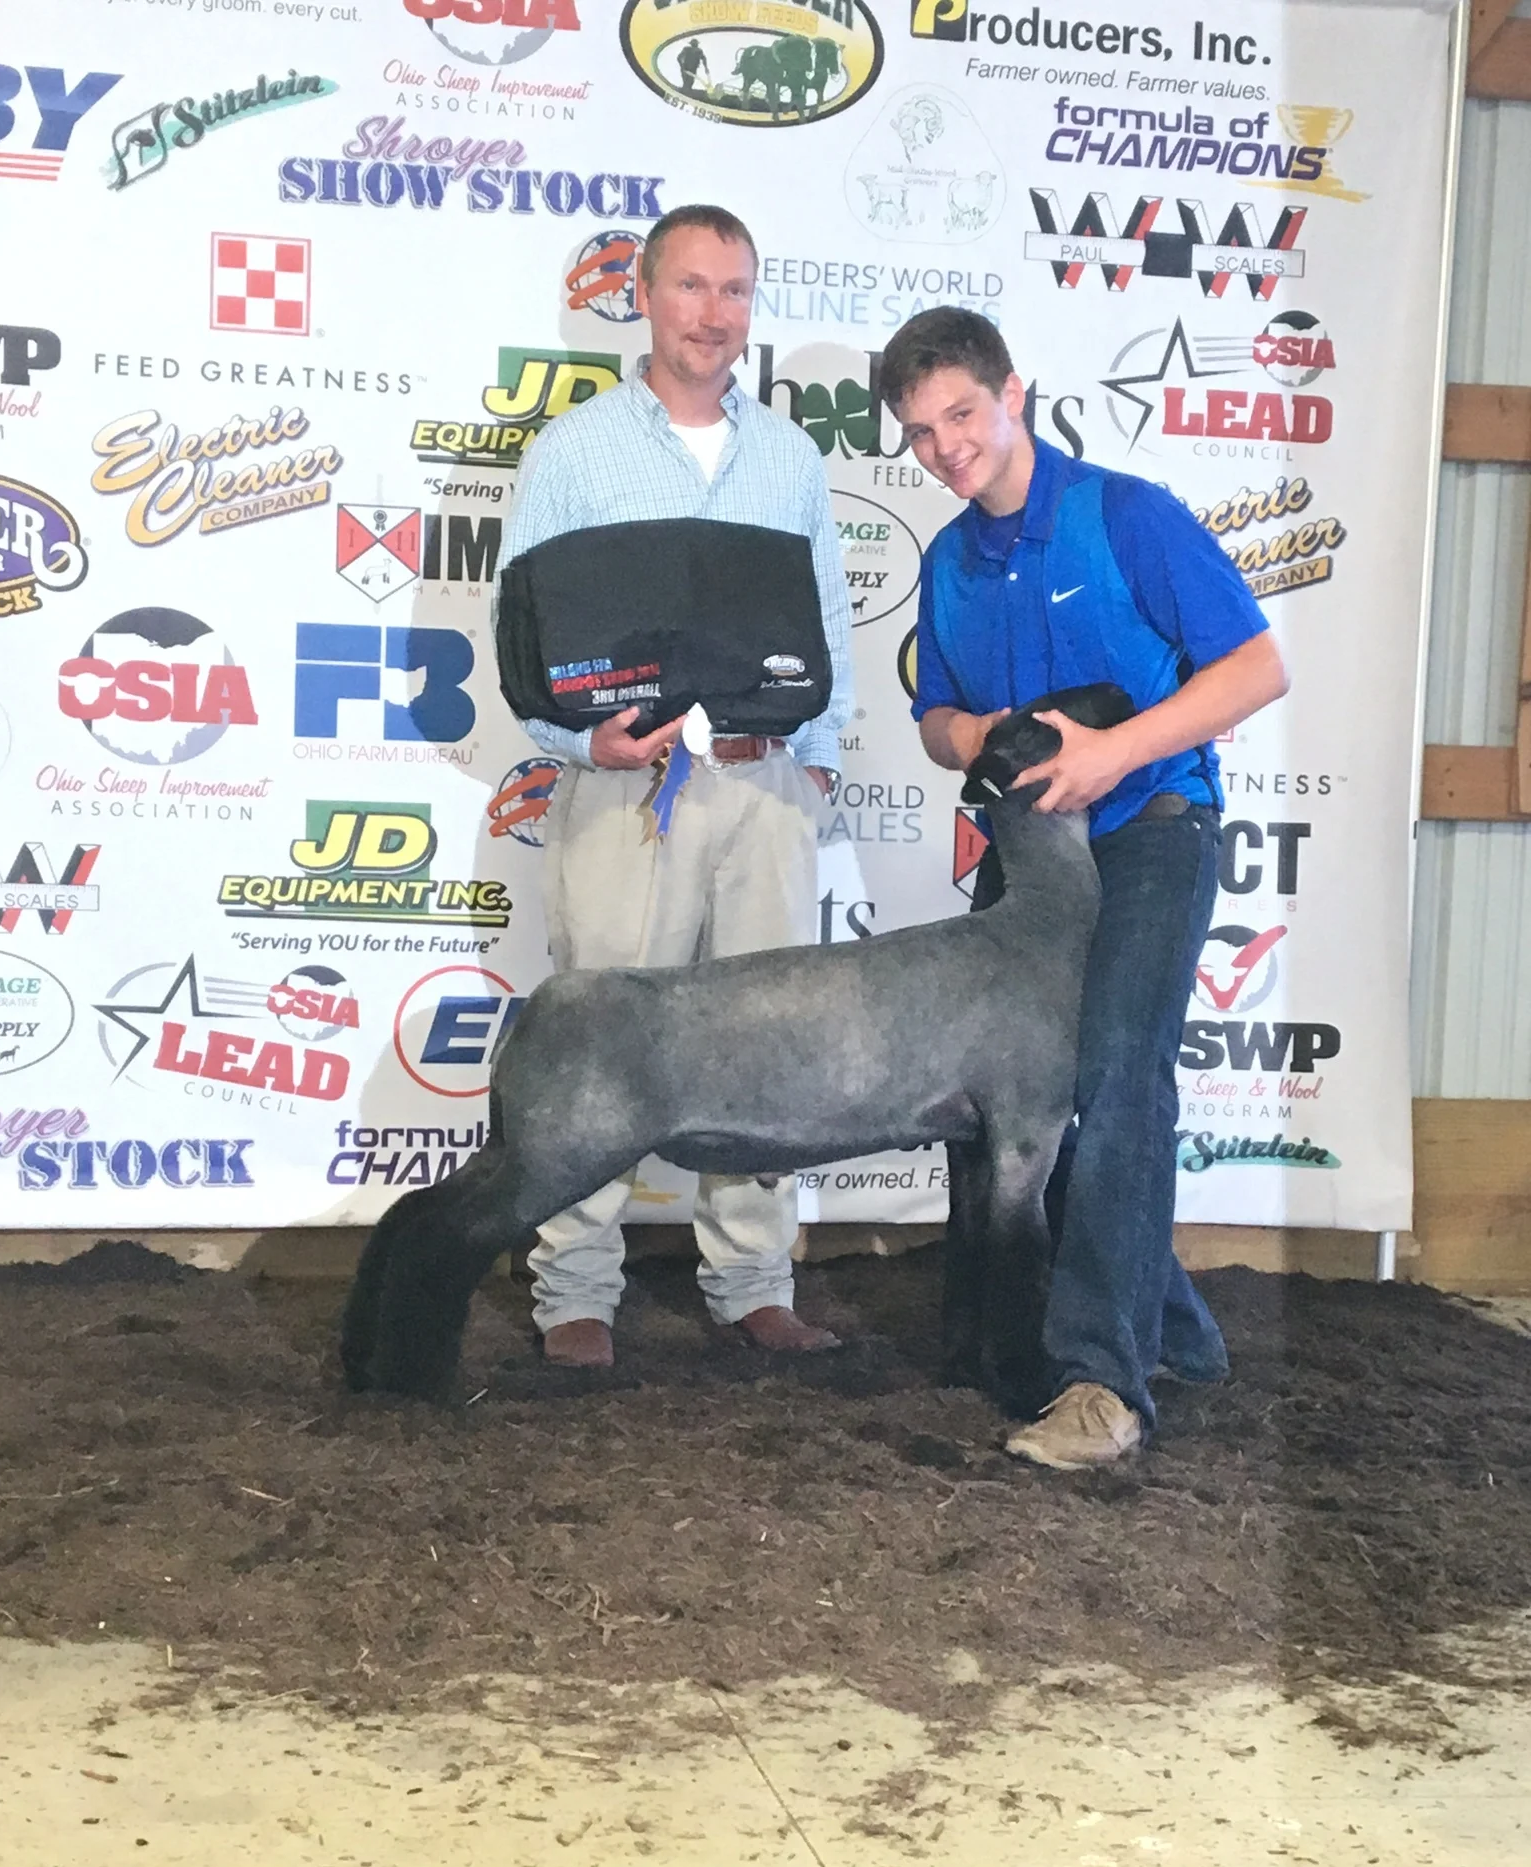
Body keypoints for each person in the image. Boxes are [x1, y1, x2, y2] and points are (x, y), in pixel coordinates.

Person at [879, 306, 1287, 1471]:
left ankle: (1103, 1385)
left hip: (1151, 828)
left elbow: (1260, 665)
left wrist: (1117, 752)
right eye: (922, 432)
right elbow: (935, 717)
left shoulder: (1127, 515)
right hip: (1029, 856)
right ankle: (1179, 1334)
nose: (948, 446)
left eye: (963, 413)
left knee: (1115, 1072)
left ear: (1014, 393)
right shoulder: (949, 561)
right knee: (1021, 1095)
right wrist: (969, 736)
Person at [489, 203, 854, 1370]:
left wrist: (820, 760)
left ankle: (753, 1281)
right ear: (643, 295)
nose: (714, 312)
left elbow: (828, 618)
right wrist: (576, 738)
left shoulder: (788, 457)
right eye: (691, 285)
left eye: (735, 289)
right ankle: (573, 1288)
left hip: (762, 783)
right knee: (601, 1041)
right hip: (625, 785)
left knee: (766, 1051)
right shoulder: (577, 450)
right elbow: (523, 624)